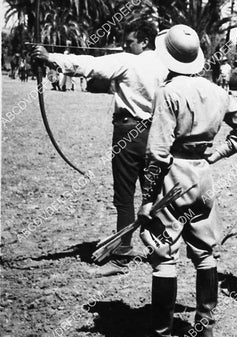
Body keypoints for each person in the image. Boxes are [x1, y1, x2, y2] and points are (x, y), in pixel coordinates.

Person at [118, 25, 237, 337]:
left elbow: (156, 153)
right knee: (205, 252)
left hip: (173, 178)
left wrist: (148, 199)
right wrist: (215, 154)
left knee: (163, 254)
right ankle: (204, 327)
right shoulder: (217, 91)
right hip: (202, 177)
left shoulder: (169, 91)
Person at [32, 21, 167, 276]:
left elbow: (90, 65)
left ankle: (121, 257)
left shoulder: (130, 61)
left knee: (124, 197)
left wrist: (50, 58)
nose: (125, 46)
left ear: (144, 42)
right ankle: (161, 252)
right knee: (154, 197)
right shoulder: (164, 65)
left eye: (129, 42)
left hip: (129, 132)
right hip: (158, 134)